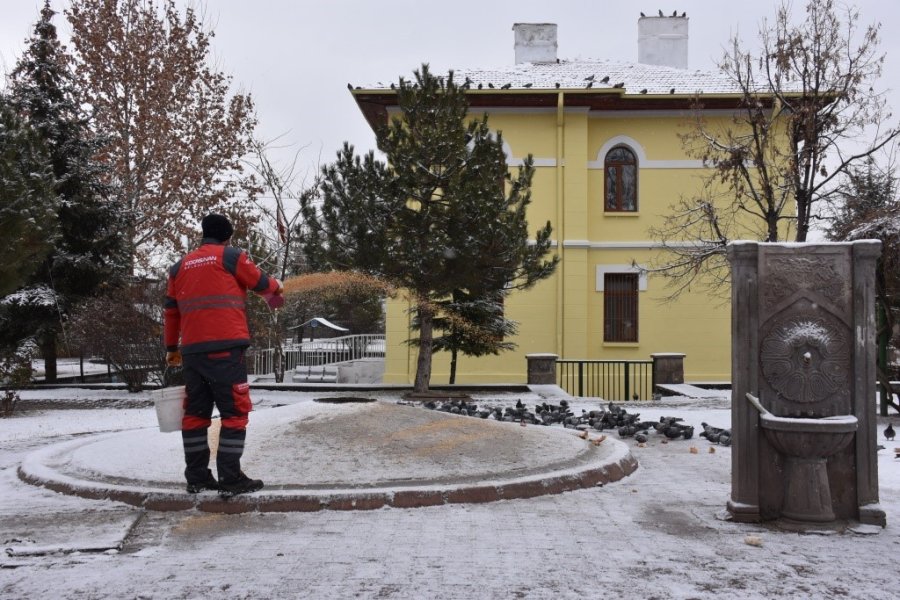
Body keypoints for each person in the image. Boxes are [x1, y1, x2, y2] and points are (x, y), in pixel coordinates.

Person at [163, 213, 283, 497]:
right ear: (227, 236)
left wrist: (171, 348)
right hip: (226, 351)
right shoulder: (231, 257)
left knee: (194, 414)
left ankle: (197, 477)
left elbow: (170, 311)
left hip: (192, 353)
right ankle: (230, 478)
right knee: (235, 413)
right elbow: (262, 284)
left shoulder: (179, 267)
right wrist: (278, 288)